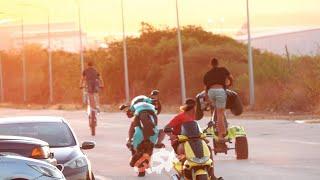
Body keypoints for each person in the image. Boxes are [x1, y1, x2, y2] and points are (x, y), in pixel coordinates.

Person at [203, 58, 233, 142]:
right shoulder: (223, 70)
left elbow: (205, 88)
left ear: (211, 64)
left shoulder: (207, 74)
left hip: (210, 92)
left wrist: (207, 98)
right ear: (218, 63)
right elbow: (230, 77)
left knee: (214, 109)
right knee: (220, 114)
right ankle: (221, 136)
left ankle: (213, 124)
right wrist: (230, 84)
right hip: (220, 91)